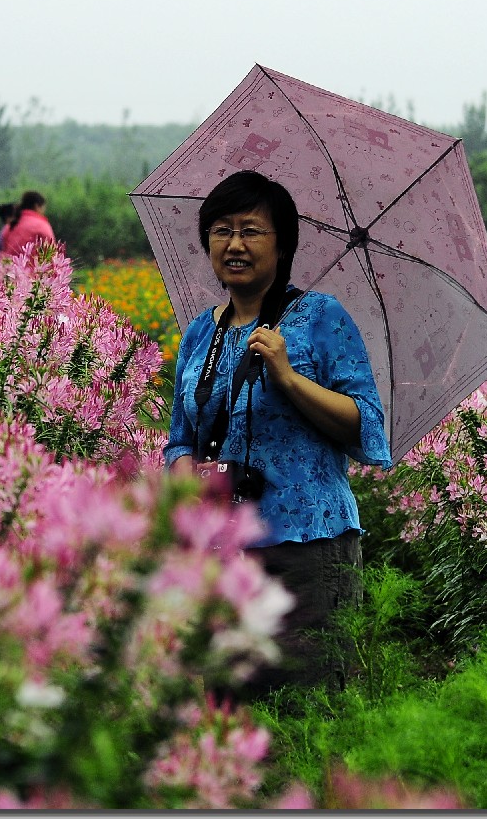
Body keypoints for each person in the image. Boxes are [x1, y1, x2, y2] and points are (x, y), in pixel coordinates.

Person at [163, 169, 392, 696]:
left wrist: (288, 377)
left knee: (303, 706)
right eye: (221, 230)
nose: (234, 244)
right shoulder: (202, 331)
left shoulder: (319, 318)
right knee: (227, 708)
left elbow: (367, 424)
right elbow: (180, 434)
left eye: (251, 230)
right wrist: (183, 475)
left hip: (305, 545)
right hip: (221, 550)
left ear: (283, 244)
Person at [0, 191, 55, 257]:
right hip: (33, 266)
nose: (44, 211)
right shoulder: (42, 225)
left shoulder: (8, 226)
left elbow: (3, 250)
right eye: (43, 208)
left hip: (10, 266)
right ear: (37, 206)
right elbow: (52, 252)